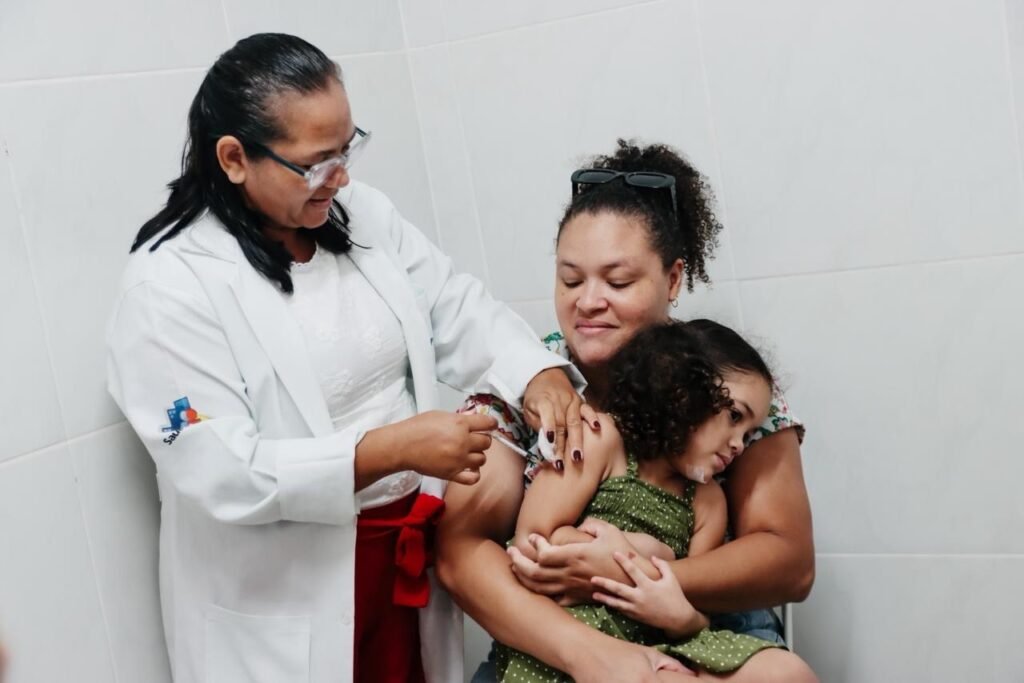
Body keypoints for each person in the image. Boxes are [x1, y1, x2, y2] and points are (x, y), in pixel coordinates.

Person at [105, 33, 584, 683]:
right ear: (235, 158)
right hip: (284, 601)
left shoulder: (359, 215)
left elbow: (452, 304)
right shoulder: (167, 286)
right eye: (316, 163)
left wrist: (538, 373)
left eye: (346, 149)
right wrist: (390, 449)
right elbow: (219, 469)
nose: (342, 177)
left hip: (403, 562)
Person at [436, 141, 815, 682]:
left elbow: (790, 562)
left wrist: (635, 573)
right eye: (571, 280)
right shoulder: (522, 385)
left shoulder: (728, 384)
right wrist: (591, 654)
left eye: (618, 282)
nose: (588, 302)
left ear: (673, 279)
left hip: (699, 622)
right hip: (556, 637)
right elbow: (460, 552)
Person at [498, 319, 815, 681]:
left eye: (748, 433)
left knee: (788, 673)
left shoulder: (709, 502)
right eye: (734, 416)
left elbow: (695, 606)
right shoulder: (602, 440)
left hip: (658, 640)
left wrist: (683, 617)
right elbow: (530, 542)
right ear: (682, 393)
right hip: (577, 634)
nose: (739, 445)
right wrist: (644, 551)